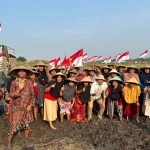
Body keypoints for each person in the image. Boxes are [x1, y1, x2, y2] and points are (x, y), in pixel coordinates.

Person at [7, 66, 35, 149]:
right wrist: (18, 90)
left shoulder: (29, 82)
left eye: (24, 72)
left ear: (26, 73)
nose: (22, 73)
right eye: (20, 72)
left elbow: (32, 95)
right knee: (14, 124)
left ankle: (26, 140)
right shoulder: (14, 83)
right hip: (17, 107)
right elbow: (10, 95)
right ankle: (9, 142)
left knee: (27, 124)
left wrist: (30, 105)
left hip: (27, 107)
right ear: (17, 73)